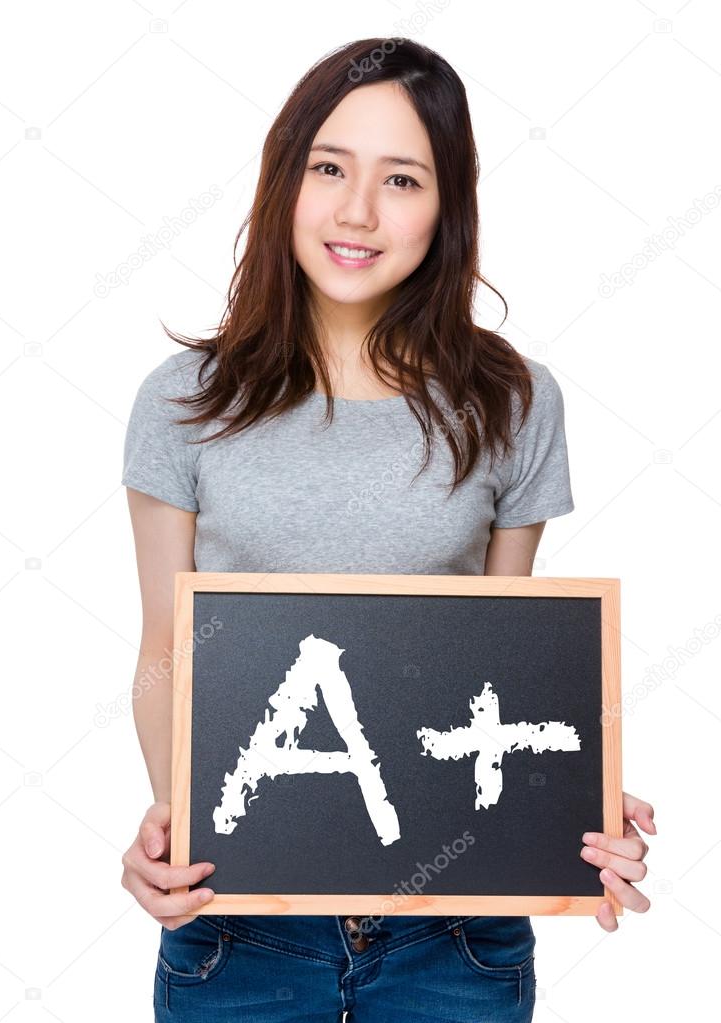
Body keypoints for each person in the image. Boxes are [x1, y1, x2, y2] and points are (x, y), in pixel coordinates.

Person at [120, 37, 656, 1023]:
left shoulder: (511, 402)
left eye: (400, 179)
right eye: (328, 167)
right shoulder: (182, 403)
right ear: (286, 178)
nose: (356, 211)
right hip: (236, 929)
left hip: (449, 935)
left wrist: (570, 798)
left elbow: (505, 654)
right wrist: (177, 830)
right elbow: (166, 649)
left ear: (445, 207)